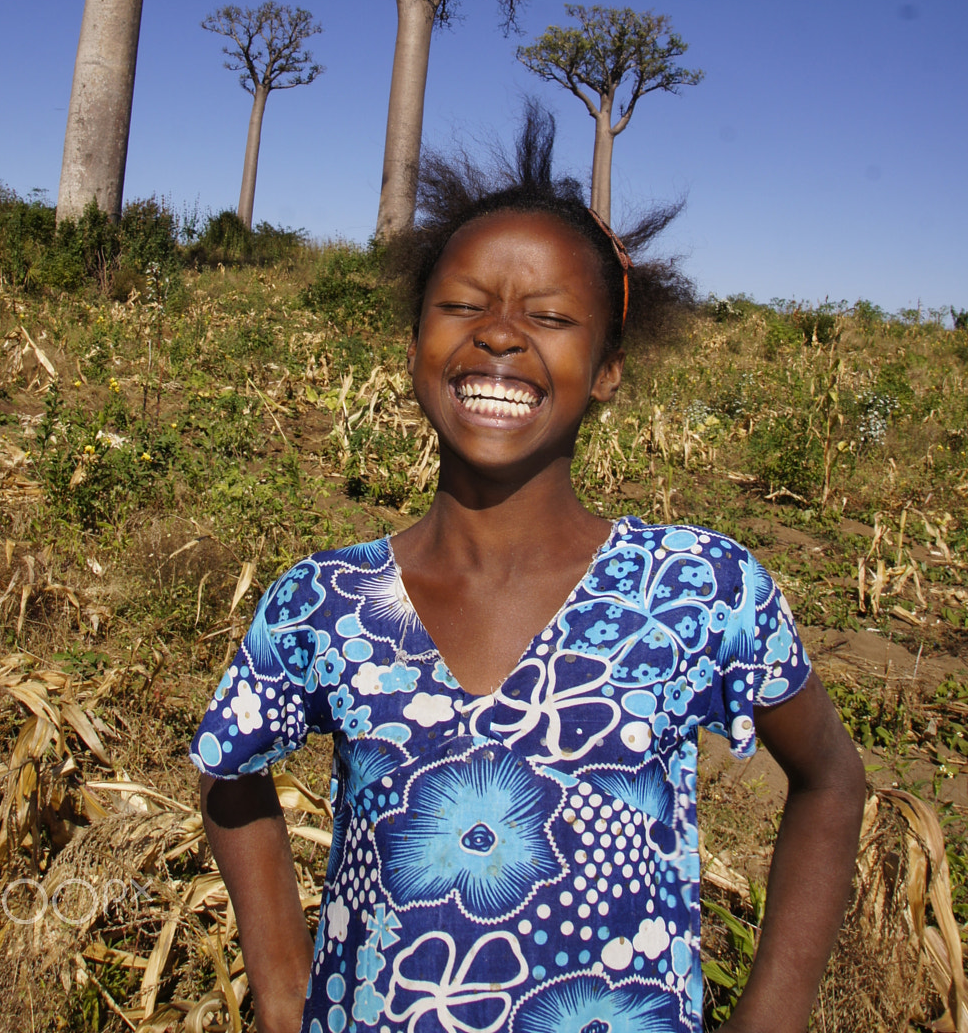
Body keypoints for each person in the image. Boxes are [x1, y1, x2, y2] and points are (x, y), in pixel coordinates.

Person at [193, 108, 865, 1033]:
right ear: (413, 347)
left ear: (607, 370)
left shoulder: (700, 587)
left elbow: (830, 779)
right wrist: (282, 990)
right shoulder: (323, 602)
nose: (501, 336)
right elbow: (230, 770)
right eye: (463, 306)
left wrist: (774, 1011)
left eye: (549, 317)